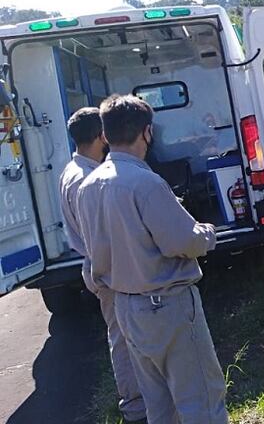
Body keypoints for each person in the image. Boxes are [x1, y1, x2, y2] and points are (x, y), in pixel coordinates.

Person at [76, 95, 227, 424]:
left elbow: (93, 254)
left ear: (107, 134)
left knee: (158, 405)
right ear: (147, 132)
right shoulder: (146, 183)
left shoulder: (88, 186)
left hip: (126, 307)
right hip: (168, 306)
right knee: (201, 399)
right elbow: (183, 241)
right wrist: (207, 232)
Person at [59, 107, 146, 423]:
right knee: (124, 338)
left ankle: (140, 400)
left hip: (98, 265)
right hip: (106, 268)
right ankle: (136, 407)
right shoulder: (86, 179)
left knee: (124, 334)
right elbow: (102, 234)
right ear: (102, 136)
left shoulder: (72, 170)